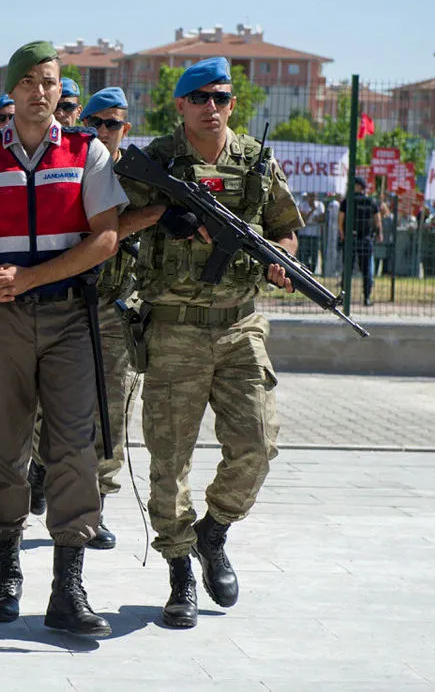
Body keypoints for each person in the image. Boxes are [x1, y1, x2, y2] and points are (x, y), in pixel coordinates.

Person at [115, 56, 303, 629]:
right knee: (169, 460)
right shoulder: (154, 164)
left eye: (221, 98)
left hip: (240, 324)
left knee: (257, 446)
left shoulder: (257, 162)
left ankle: (212, 531)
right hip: (172, 326)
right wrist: (159, 216)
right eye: (200, 98)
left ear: (233, 104)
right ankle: (178, 572)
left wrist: (283, 263)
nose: (211, 108)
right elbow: (109, 223)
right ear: (180, 105)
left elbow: (285, 230)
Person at [0, 41, 125, 636]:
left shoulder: (85, 151)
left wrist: (32, 277)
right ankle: (6, 571)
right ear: (12, 89)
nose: (40, 91)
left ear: (59, 89)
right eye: (28, 82)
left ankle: (67, 586)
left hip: (69, 316)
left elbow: (105, 239)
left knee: (74, 444)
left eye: (49, 81)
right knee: (1, 445)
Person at [70, 85, 141, 550]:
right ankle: (45, 469)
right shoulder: (67, 171)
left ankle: (96, 505)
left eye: (111, 124)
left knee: (110, 408)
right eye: (94, 123)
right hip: (68, 304)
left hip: (115, 307)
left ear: (124, 130)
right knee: (48, 407)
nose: (102, 132)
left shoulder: (139, 180)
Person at [339, 177, 380, 305]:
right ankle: (367, 298)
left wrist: (342, 234)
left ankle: (344, 298)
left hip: (350, 239)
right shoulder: (371, 201)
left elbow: (340, 219)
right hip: (366, 239)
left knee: (347, 269)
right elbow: (377, 221)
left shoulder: (347, 201)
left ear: (357, 186)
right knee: (366, 270)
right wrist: (378, 233)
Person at [296, 192, 325, 272]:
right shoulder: (302, 205)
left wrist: (316, 218)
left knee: (314, 256)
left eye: (314, 196)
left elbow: (322, 219)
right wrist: (312, 210)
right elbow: (302, 220)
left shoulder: (320, 205)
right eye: (310, 196)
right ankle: (303, 271)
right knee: (304, 255)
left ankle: (312, 272)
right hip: (304, 234)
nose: (312, 198)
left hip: (315, 235)